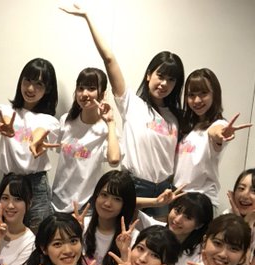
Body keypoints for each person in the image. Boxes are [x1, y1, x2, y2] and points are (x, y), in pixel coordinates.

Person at [61, 4, 184, 218]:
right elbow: (109, 59)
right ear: (149, 75)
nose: (164, 83)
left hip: (165, 190)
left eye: (171, 79)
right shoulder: (132, 104)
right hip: (135, 186)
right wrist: (88, 17)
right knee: (128, 236)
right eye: (160, 76)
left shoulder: (175, 117)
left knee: (159, 237)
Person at [0, 58, 60, 230]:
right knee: (8, 231)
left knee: (40, 233)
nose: (30, 88)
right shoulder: (3, 110)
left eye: (39, 84)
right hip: (10, 181)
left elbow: (40, 131)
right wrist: (6, 126)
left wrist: (36, 141)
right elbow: (5, 120)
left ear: (48, 89)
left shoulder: (50, 120)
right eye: (27, 80)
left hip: (36, 184)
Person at [174, 69, 251, 209]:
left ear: (214, 94)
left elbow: (216, 132)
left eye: (203, 93)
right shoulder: (188, 128)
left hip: (200, 201)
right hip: (178, 197)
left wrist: (221, 134)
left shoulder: (218, 124)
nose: (197, 100)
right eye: (191, 95)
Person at [50, 67, 120, 213]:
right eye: (80, 88)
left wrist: (111, 122)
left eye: (91, 88)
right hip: (57, 200)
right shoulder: (66, 120)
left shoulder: (105, 129)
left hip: (86, 205)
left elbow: (114, 160)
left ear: (102, 94)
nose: (84, 94)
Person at [81, 170, 137, 265]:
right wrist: (75, 233)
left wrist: (124, 253)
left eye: (117, 199)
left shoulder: (132, 238)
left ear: (125, 204)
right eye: (104, 195)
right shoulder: (82, 225)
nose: (107, 203)